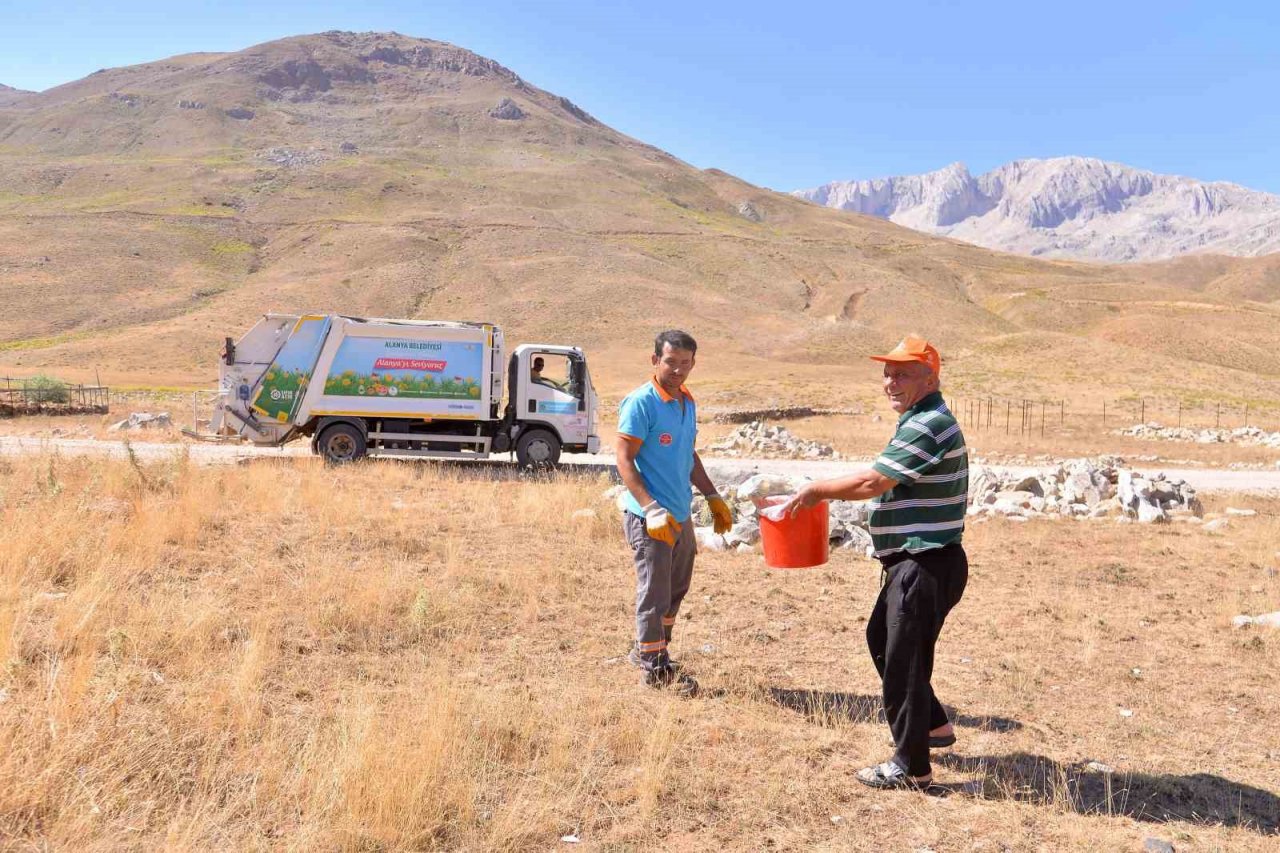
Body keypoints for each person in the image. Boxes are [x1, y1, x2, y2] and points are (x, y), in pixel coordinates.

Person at [780, 335, 968, 790]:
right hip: (920, 562)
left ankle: (912, 767)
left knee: (902, 659)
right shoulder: (918, 419)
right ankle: (934, 724)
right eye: (887, 372)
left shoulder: (928, 424)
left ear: (930, 377)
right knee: (884, 640)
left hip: (924, 562)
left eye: (902, 373)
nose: (890, 381)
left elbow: (873, 482)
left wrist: (816, 490)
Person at [615, 330, 733, 696]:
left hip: (680, 515)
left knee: (676, 590)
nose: (678, 370)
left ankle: (654, 649)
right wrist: (650, 507)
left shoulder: (687, 402)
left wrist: (712, 495)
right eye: (671, 361)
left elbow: (688, 455)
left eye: (685, 363)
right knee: (654, 592)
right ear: (655, 360)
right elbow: (623, 458)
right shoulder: (642, 403)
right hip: (649, 516)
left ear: (693, 363)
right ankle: (654, 669)